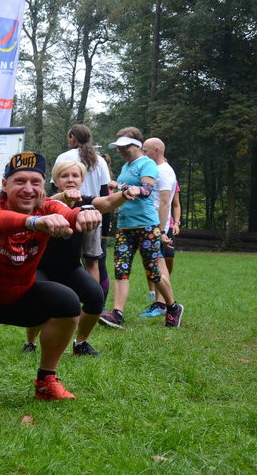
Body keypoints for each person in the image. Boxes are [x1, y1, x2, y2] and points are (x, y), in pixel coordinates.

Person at [0, 152, 101, 411]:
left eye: (35, 182)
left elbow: (68, 214)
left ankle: (46, 380)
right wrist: (34, 222)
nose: (28, 189)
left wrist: (85, 214)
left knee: (67, 301)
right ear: (5, 185)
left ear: (43, 186)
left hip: (20, 294)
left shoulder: (48, 206)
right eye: (19, 181)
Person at [22, 160, 140, 356]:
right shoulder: (45, 201)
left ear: (82, 180)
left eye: (75, 176)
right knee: (41, 303)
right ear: (56, 180)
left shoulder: (86, 202)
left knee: (95, 297)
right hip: (41, 268)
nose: (70, 180)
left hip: (69, 268)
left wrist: (124, 195)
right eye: (64, 176)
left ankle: (80, 344)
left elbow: (107, 203)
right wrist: (65, 196)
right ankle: (30, 342)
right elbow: (54, 199)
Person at [99, 128, 184, 329]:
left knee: (153, 272)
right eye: (118, 148)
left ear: (136, 145)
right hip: (124, 226)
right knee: (121, 270)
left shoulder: (147, 164)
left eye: (124, 147)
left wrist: (121, 187)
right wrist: (119, 187)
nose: (120, 151)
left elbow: (146, 190)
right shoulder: (126, 167)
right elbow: (126, 189)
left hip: (146, 225)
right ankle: (117, 314)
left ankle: (172, 307)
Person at [52, 125, 111, 283]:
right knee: (94, 263)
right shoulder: (99, 160)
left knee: (64, 262)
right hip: (93, 218)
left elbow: (53, 193)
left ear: (72, 137)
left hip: (64, 217)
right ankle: (97, 303)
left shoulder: (63, 157)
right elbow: (105, 194)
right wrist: (105, 229)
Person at [140, 137, 179, 317]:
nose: (143, 153)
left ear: (156, 150)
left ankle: (164, 305)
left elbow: (164, 202)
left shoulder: (164, 172)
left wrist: (162, 230)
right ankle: (160, 304)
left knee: (159, 265)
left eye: (146, 150)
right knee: (155, 264)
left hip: (158, 225)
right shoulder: (155, 169)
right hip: (151, 223)